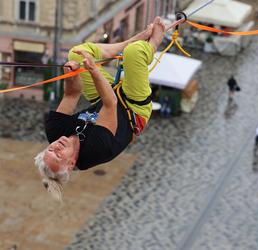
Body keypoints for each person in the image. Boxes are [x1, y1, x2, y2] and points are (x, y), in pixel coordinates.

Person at [34, 17, 166, 200]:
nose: (56, 147)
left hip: (102, 101)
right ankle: (153, 43)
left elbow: (72, 94)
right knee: (135, 53)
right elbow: (111, 103)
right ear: (71, 163)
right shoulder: (96, 150)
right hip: (132, 109)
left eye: (50, 149)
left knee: (77, 54)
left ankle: (131, 40)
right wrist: (93, 70)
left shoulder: (55, 132)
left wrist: (71, 74)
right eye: (58, 155)